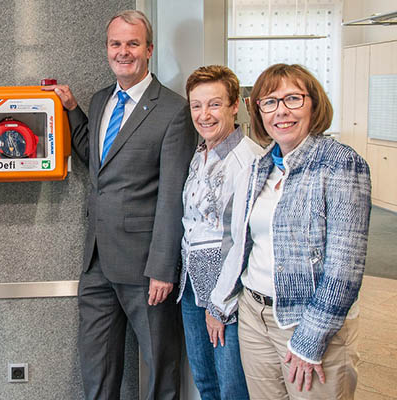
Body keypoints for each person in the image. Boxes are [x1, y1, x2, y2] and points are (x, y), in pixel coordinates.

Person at [46, 9, 195, 399]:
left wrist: (163, 268)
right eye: (116, 44)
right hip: (96, 263)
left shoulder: (174, 111)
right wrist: (72, 110)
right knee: (96, 365)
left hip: (146, 268)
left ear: (148, 50)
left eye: (132, 44)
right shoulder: (99, 102)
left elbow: (173, 195)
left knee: (160, 365)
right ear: (107, 50)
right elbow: (97, 161)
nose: (123, 51)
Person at [211, 63, 371, 399]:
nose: (280, 111)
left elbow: (345, 267)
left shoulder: (340, 163)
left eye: (293, 99)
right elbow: (242, 245)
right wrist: (220, 304)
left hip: (308, 321)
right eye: (269, 102)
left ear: (314, 104)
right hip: (255, 317)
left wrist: (311, 339)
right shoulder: (260, 166)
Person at [177, 65, 259, 400]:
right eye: (197, 106)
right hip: (192, 284)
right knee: (205, 382)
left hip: (226, 295)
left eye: (214, 104)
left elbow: (243, 240)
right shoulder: (200, 154)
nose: (204, 114)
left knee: (232, 389)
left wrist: (219, 305)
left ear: (234, 105)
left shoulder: (248, 160)